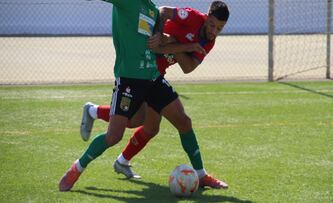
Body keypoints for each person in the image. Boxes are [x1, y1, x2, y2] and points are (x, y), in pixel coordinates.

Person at [80, 1, 230, 189]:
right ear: (206, 17)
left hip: (158, 73)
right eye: (212, 25)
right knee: (140, 122)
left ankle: (117, 153)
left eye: (219, 28)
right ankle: (97, 120)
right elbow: (163, 11)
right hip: (145, 68)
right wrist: (161, 34)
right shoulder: (191, 17)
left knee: (151, 125)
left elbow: (188, 67)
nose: (214, 31)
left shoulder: (209, 41)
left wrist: (179, 44)